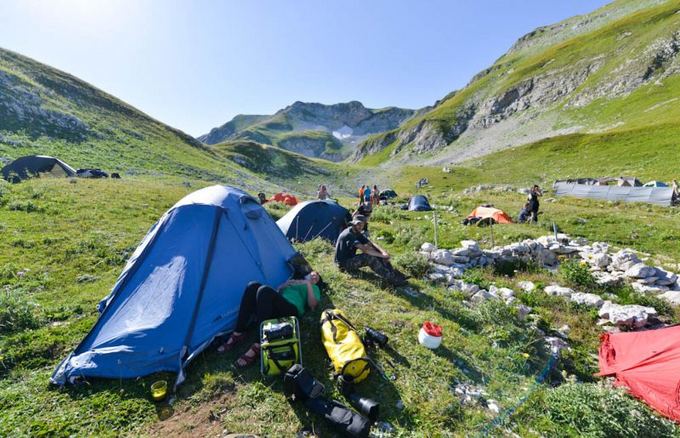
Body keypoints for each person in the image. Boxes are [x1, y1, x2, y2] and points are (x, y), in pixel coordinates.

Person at [217, 272, 321, 367]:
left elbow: (312, 305)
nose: (314, 276)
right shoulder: (293, 282)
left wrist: (308, 284)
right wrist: (285, 285)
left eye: (317, 277)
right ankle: (238, 332)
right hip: (277, 307)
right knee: (252, 286)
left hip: (291, 311)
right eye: (312, 274)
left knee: (265, 290)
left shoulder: (314, 288)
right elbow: (275, 293)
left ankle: (258, 344)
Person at [335, 215, 407, 286]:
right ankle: (393, 279)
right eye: (358, 224)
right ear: (353, 224)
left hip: (349, 258)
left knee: (376, 252)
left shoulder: (356, 232)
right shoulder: (349, 234)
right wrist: (382, 256)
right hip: (343, 264)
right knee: (369, 257)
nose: (360, 227)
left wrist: (383, 252)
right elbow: (365, 250)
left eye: (362, 225)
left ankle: (393, 273)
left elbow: (371, 244)